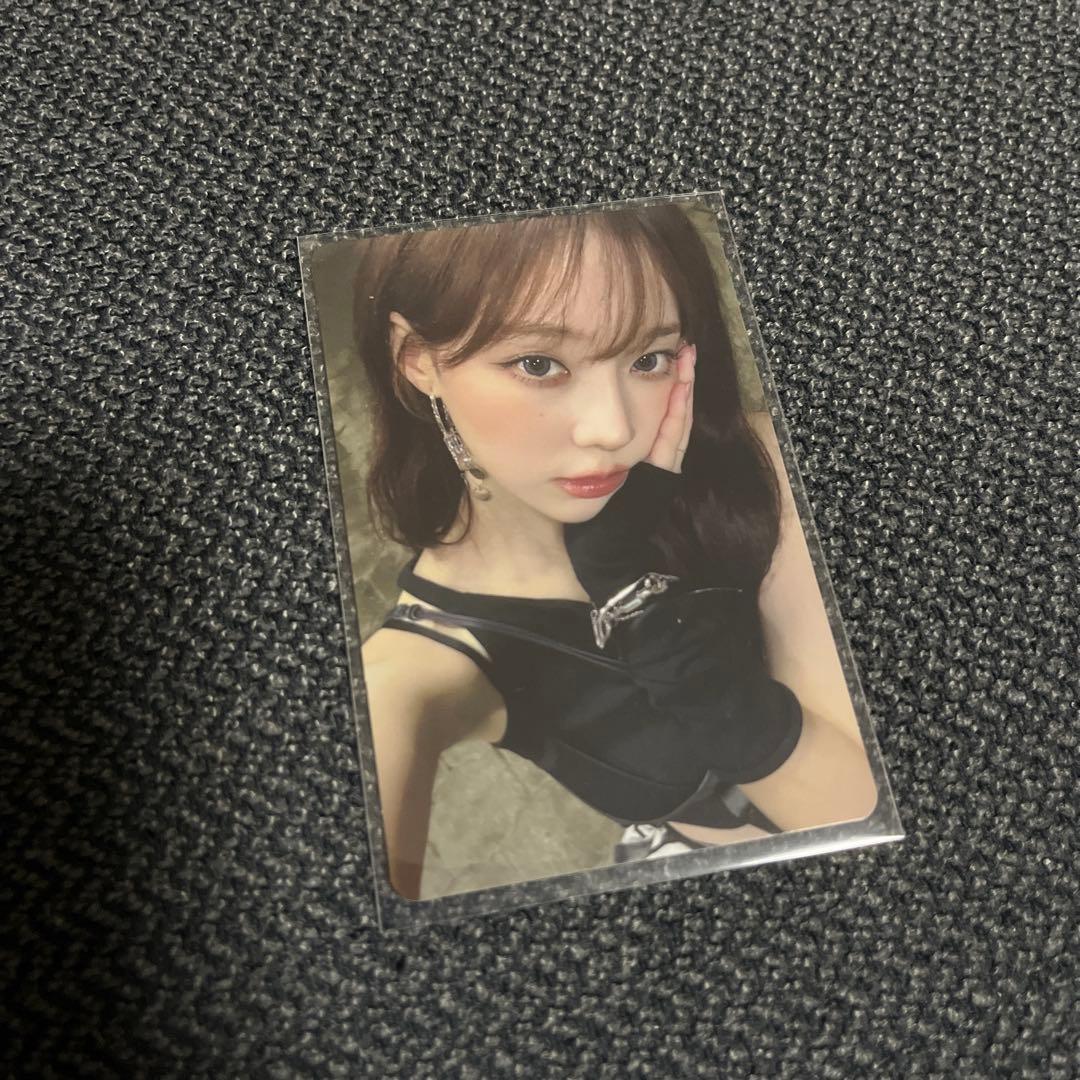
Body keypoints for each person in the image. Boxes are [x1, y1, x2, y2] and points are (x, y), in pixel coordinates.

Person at [353, 204, 878, 901]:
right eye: (538, 364)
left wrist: (627, 586)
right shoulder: (414, 671)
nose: (613, 429)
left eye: (648, 359)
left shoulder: (758, 466)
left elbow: (863, 810)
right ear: (418, 359)